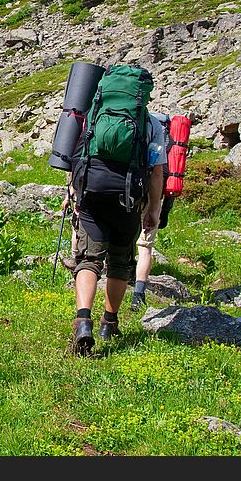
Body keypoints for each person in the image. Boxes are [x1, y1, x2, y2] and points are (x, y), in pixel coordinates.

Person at [69, 84, 167, 356]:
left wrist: (74, 190)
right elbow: (157, 172)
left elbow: (77, 154)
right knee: (120, 262)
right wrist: (153, 208)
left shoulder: (94, 113)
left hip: (92, 192)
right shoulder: (150, 123)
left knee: (89, 260)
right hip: (128, 198)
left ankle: (83, 320)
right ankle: (109, 322)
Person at [131, 113, 172, 311]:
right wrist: (156, 207)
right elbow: (158, 171)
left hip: (124, 188)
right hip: (148, 190)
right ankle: (138, 294)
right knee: (145, 246)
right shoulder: (154, 125)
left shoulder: (115, 116)